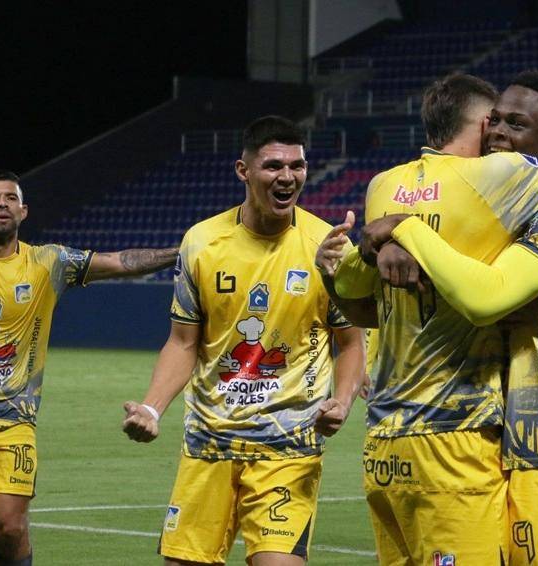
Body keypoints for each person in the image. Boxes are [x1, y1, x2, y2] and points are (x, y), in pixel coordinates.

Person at [323, 72, 538, 565]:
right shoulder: (501, 182)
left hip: (387, 443)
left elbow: (358, 304)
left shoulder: (383, 186)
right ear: (480, 124)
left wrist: (383, 237)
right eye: (496, 121)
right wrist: (398, 235)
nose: (500, 133)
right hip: (458, 438)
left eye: (513, 123)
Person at [121, 116, 365, 566]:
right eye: (273, 166)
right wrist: (152, 408)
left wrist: (344, 401)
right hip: (209, 445)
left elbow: (351, 342)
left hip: (288, 448)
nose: (287, 177)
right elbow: (183, 343)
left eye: (297, 166)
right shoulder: (202, 242)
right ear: (243, 170)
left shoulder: (327, 246)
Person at [0, 170, 177, 566]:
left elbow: (121, 263)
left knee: (10, 528)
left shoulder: (49, 262)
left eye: (11, 198)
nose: (3, 203)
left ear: (24, 211)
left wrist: (184, 252)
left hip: (13, 424)